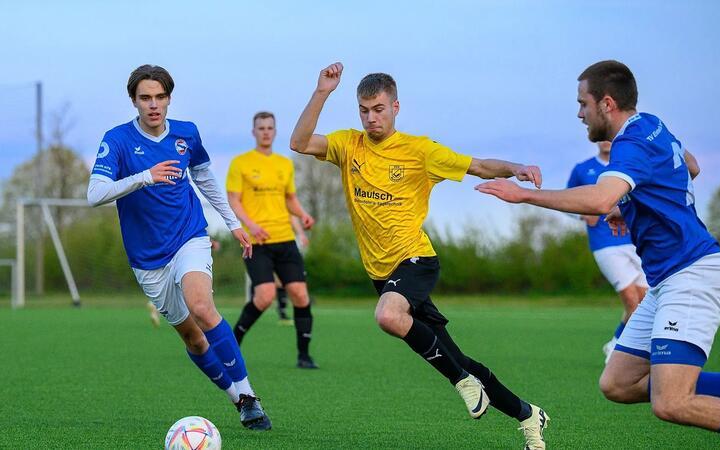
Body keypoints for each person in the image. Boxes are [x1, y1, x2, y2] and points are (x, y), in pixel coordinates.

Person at [476, 59, 720, 445]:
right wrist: (626, 204)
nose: (579, 114)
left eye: (583, 103)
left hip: (692, 274)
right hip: (668, 280)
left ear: (607, 103)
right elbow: (689, 166)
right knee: (618, 382)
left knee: (671, 402)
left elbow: (597, 199)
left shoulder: (630, 144)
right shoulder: (652, 124)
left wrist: (525, 194)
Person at [289, 62, 550, 449]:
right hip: (381, 273)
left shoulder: (419, 150)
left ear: (396, 107)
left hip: (415, 259)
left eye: (378, 109)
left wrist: (516, 168)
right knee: (457, 356)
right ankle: (528, 415)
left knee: (388, 316)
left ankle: (462, 384)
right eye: (364, 110)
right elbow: (299, 142)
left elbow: (477, 165)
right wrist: (322, 91)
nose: (371, 118)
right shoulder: (348, 145)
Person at [87, 64, 271, 430]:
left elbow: (205, 179)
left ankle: (250, 395)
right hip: (147, 258)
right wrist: (144, 177)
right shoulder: (118, 139)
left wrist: (233, 223)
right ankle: (237, 400)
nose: (153, 105)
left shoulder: (187, 134)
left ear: (169, 98)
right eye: (145, 98)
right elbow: (95, 194)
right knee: (193, 338)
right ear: (134, 101)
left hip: (190, 236)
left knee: (202, 306)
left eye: (159, 97)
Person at [227, 111, 318, 369]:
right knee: (265, 295)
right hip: (257, 242)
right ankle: (232, 344)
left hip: (285, 239)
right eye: (261, 127)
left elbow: (289, 198)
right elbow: (234, 199)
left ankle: (304, 355)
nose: (266, 131)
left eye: (270, 127)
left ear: (275, 131)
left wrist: (302, 214)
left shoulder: (284, 164)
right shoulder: (240, 163)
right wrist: (251, 225)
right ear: (253, 132)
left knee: (300, 295)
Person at [566, 141, 648, 362]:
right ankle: (617, 349)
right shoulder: (582, 169)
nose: (605, 141)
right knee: (632, 301)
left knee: (646, 301)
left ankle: (620, 345)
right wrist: (582, 215)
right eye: (602, 137)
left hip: (634, 241)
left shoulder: (625, 166)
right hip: (605, 245)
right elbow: (567, 201)